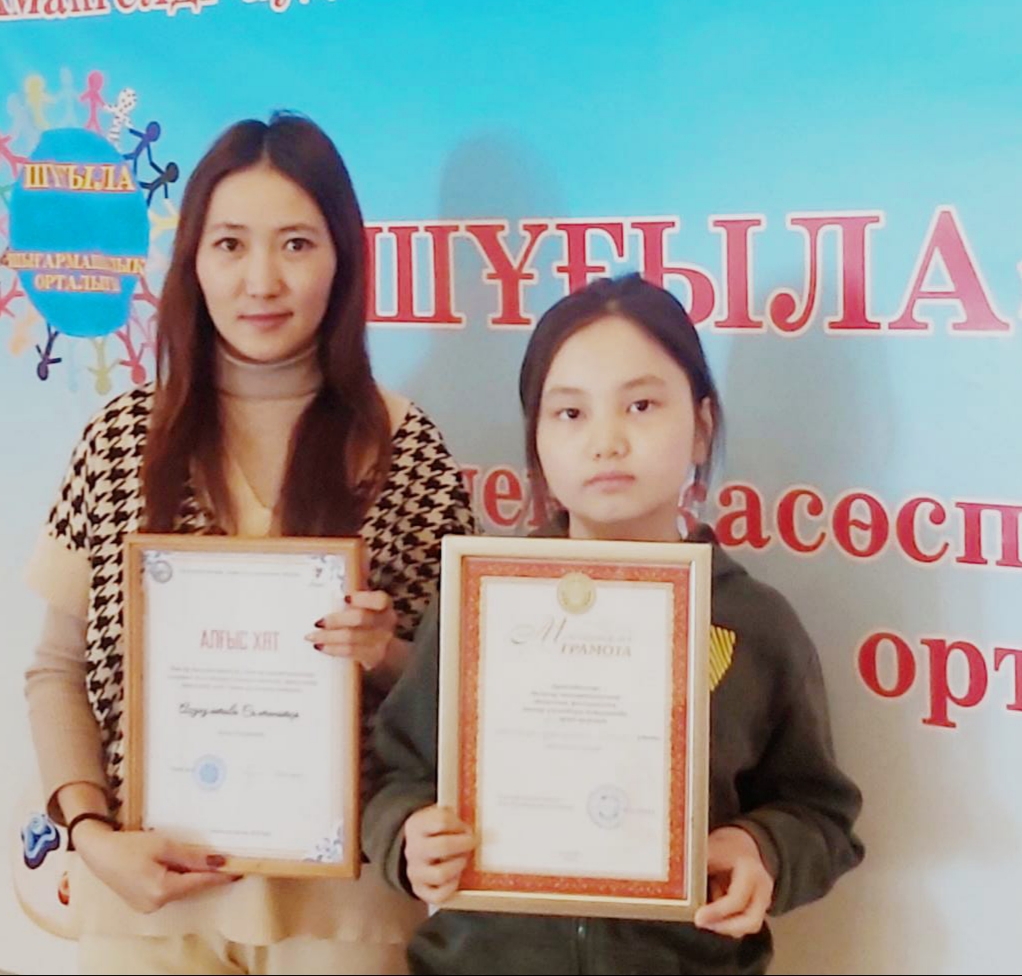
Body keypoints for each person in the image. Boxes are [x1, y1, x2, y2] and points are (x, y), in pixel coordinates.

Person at [24, 111, 475, 975]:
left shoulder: (404, 447)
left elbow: (471, 691)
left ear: (342, 260)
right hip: (149, 904)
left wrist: (384, 653)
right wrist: (90, 834)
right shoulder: (121, 442)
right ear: (193, 261)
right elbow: (57, 668)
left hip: (346, 910)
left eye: (296, 244)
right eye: (230, 244)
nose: (261, 280)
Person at [362, 273, 864, 975]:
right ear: (537, 439)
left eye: (642, 405)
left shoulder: (755, 623)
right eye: (570, 413)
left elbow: (821, 814)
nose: (606, 441)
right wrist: (408, 836)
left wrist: (762, 849)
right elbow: (398, 774)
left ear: (702, 427)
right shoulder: (482, 604)